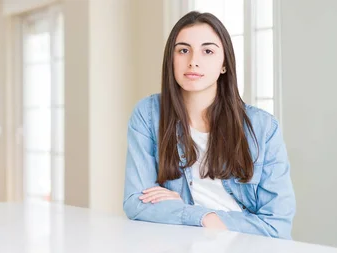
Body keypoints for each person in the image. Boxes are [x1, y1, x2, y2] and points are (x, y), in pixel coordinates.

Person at [122, 11, 296, 239]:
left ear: (224, 64)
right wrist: (202, 217)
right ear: (171, 60)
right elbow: (136, 202)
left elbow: (277, 225)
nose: (193, 61)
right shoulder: (148, 114)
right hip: (181, 243)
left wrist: (198, 215)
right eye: (183, 50)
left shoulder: (263, 128)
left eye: (208, 51)